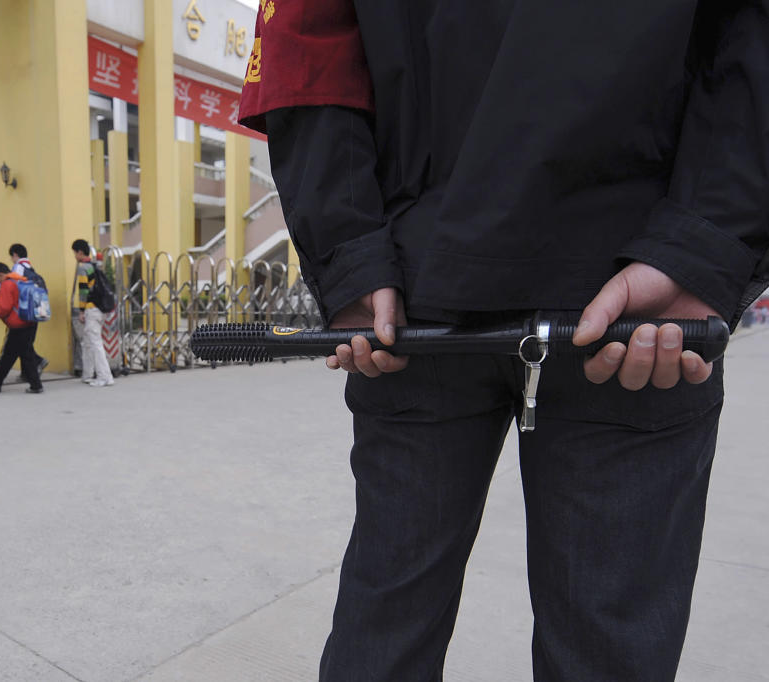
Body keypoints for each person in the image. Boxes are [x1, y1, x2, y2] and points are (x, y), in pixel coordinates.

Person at [238, 2, 769, 681]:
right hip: (625, 285)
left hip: (423, 289)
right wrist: (702, 239)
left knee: (387, 614)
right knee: (606, 650)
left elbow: (307, 45)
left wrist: (348, 249)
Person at [0, 262, 43, 394]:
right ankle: (35, 385)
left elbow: (5, 307)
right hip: (29, 321)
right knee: (25, 354)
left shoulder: (7, 283)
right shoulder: (21, 279)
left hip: (17, 325)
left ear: (0, 274)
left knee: (8, 356)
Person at [72, 239, 113, 387]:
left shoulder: (83, 268)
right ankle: (88, 374)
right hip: (100, 309)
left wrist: (81, 311)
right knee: (88, 342)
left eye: (75, 253)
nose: (75, 256)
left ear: (80, 252)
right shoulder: (95, 267)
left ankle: (104, 377)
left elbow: (83, 292)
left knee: (95, 343)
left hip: (91, 308)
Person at [8, 242, 48, 377]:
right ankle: (27, 373)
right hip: (36, 309)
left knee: (22, 342)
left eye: (12, 257)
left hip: (23, 310)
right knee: (27, 341)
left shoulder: (18, 267)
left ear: (15, 255)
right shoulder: (31, 267)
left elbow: (15, 285)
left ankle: (38, 361)